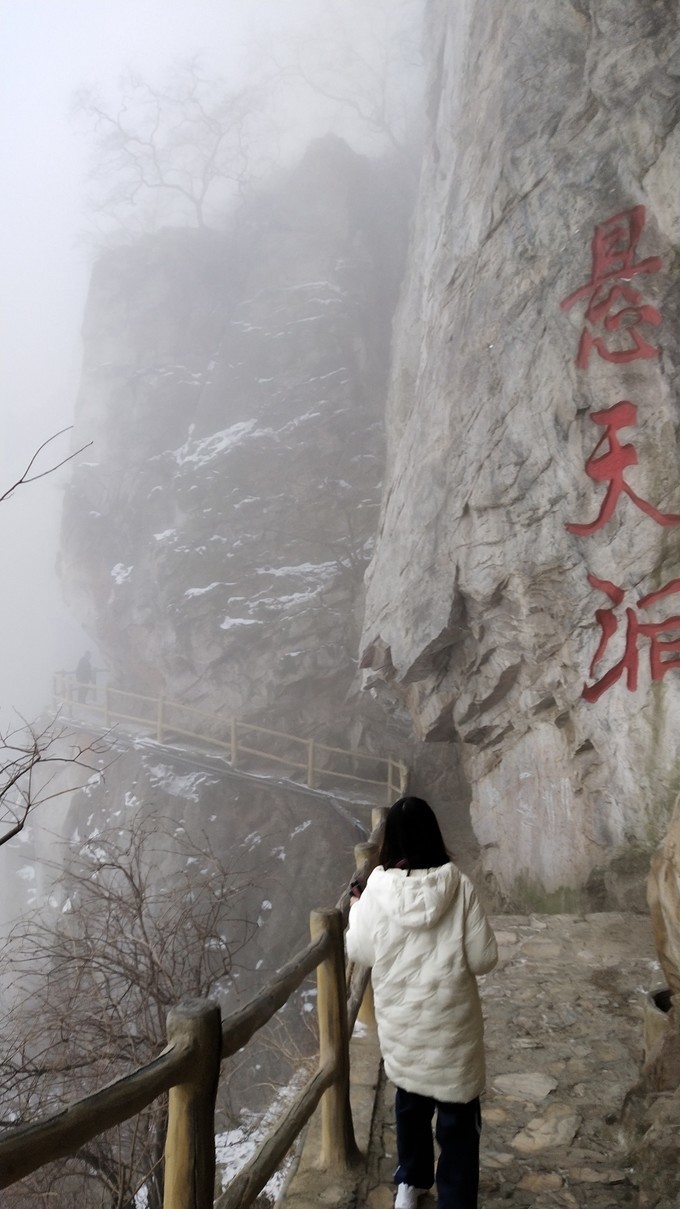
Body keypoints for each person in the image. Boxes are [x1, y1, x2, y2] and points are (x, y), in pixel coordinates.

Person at [346, 796, 497, 1209]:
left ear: (388, 842)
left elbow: (359, 949)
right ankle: (455, 1199)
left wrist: (358, 906)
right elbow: (485, 958)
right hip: (453, 1032)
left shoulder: (376, 889)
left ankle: (410, 1185)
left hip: (405, 1028)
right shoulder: (459, 885)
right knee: (459, 1125)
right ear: (434, 835)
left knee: (410, 1106)